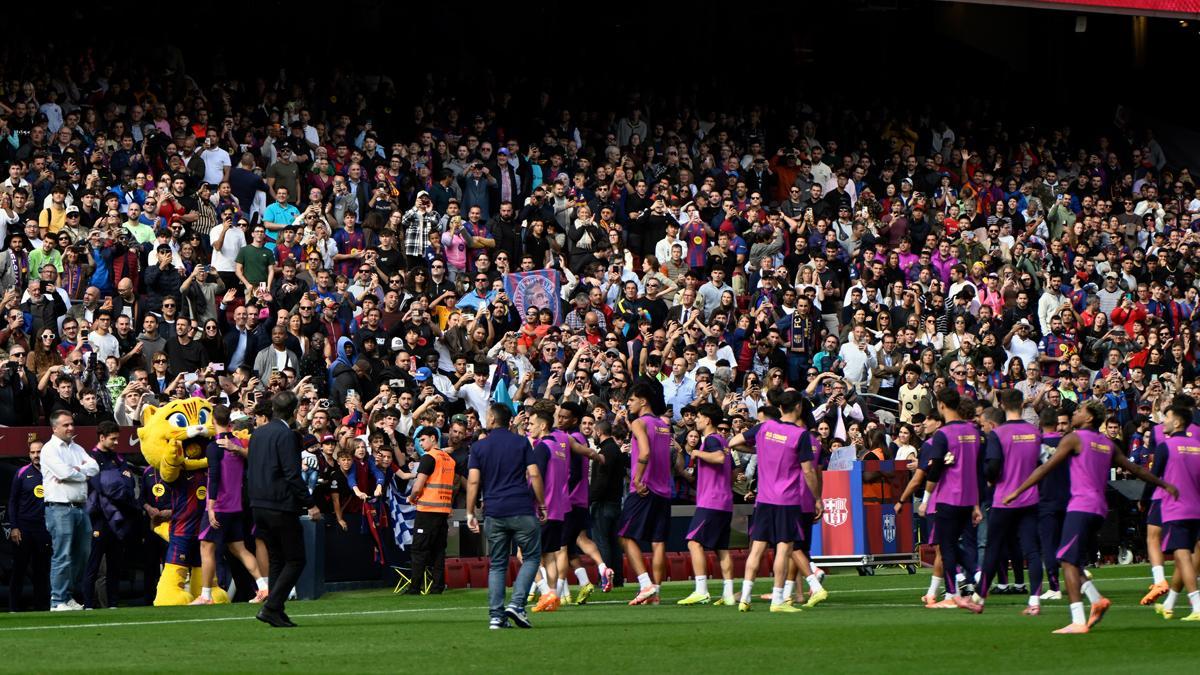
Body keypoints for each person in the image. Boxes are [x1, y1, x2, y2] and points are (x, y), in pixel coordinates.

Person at [1002, 400, 1177, 634]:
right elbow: (1136, 469)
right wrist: (1164, 484)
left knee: (1065, 560)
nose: (1075, 413)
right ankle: (1096, 600)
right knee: (1071, 560)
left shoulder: (1075, 438)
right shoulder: (1106, 443)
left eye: (1080, 411)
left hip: (1081, 506)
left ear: (1089, 418)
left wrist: (1016, 491)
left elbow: (1046, 468)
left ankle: (1077, 619)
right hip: (1099, 509)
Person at [727, 390, 821, 613]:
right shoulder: (800, 435)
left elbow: (733, 441)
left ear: (779, 408)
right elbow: (809, 472)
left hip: (763, 499)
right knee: (783, 549)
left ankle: (745, 598)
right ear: (798, 407)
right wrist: (817, 498)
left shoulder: (765, 428)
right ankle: (777, 600)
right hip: (787, 500)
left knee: (757, 549)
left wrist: (758, 448)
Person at [466, 403, 545, 630]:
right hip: (521, 507)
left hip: (494, 511)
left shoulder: (479, 447)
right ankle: (517, 604)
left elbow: (473, 481)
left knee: (498, 564)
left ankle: (496, 616)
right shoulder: (521, 443)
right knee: (531, 558)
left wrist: (471, 512)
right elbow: (534, 474)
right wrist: (542, 503)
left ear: (491, 419)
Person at [247, 390, 321, 627]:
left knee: (277, 558)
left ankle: (276, 608)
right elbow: (292, 473)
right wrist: (310, 503)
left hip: (258, 504)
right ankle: (271, 607)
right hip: (280, 505)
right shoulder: (286, 435)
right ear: (292, 411)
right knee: (296, 559)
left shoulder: (258, 434)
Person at [975, 389, 1043, 615]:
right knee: (1032, 550)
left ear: (1002, 405)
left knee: (993, 548)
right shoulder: (1034, 432)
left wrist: (990, 478)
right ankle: (1034, 600)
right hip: (1030, 498)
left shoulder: (998, 433)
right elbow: (1043, 462)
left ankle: (981, 598)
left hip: (1004, 499)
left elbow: (993, 466)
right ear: (1022, 405)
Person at [193, 407, 270, 605]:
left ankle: (206, 596)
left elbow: (215, 477)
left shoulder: (215, 446)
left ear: (212, 420)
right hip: (236, 506)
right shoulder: (236, 443)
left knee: (206, 547)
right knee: (239, 549)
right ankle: (263, 587)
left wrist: (210, 507)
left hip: (220, 507)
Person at [923, 388, 985, 613]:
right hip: (969, 499)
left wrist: (926, 498)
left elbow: (935, 468)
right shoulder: (974, 431)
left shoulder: (942, 435)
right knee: (960, 544)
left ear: (940, 405)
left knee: (946, 545)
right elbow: (978, 469)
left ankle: (954, 594)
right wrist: (977, 504)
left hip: (948, 497)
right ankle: (977, 573)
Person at [619, 382, 675, 606]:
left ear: (643, 401)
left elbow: (644, 452)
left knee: (624, 535)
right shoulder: (663, 425)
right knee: (658, 541)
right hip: (663, 489)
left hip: (644, 488)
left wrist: (636, 478)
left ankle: (645, 584)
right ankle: (656, 594)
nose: (628, 404)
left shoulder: (638, 423)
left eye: (631, 400)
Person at [676, 404, 737, 606]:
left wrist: (696, 454)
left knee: (693, 542)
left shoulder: (711, 440)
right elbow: (733, 470)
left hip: (712, 500)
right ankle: (728, 593)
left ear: (707, 420)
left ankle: (701, 589)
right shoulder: (723, 440)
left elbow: (719, 458)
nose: (697, 420)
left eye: (699, 416)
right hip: (724, 500)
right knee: (721, 549)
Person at [40, 410, 99, 611]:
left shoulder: (77, 447)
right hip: (59, 508)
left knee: (83, 554)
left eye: (71, 424)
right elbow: (64, 472)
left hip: (81, 508)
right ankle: (57, 600)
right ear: (54, 428)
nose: (70, 428)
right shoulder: (49, 449)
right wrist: (80, 471)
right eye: (65, 425)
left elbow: (94, 468)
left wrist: (75, 471)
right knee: (62, 554)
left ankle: (68, 596)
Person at [1149, 404, 1200, 621]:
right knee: (1187, 558)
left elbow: (1153, 477)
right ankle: (1169, 603)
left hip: (1176, 509)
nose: (1163, 422)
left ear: (1177, 422)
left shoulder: (1166, 446)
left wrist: (1143, 500)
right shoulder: (1197, 445)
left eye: (1167, 417)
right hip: (1196, 509)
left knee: (1182, 556)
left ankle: (1197, 605)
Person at [83, 420, 139, 609]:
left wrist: (117, 483)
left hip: (118, 518)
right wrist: (117, 483)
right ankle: (88, 604)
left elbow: (129, 482)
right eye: (113, 439)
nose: (116, 442)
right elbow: (103, 486)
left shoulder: (118, 458)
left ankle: (113, 603)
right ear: (102, 438)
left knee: (115, 563)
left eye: (117, 438)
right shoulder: (91, 458)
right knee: (94, 563)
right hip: (99, 518)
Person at [407, 426, 455, 595]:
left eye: (423, 439)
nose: (421, 443)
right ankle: (437, 587)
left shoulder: (428, 458)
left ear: (433, 438)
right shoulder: (449, 459)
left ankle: (414, 587)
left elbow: (418, 486)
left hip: (427, 510)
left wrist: (412, 498)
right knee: (438, 550)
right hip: (443, 511)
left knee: (419, 549)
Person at [7, 441, 50, 612]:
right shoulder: (22, 473)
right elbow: (12, 501)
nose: (36, 455)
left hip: (44, 529)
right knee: (19, 570)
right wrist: (14, 527)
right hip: (24, 529)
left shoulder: (51, 472)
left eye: (39, 451)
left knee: (42, 571)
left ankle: (42, 608)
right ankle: (13, 608)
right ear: (29, 454)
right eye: (33, 452)